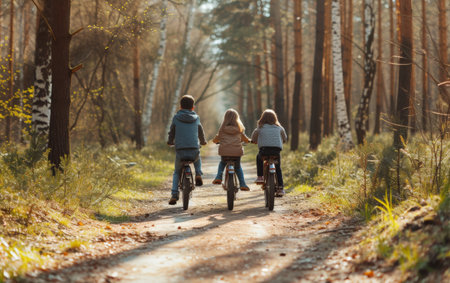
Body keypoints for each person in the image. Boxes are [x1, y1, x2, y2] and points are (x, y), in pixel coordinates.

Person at [167, 95, 207, 205]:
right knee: (197, 156)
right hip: (194, 149)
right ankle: (198, 173)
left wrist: (170, 141)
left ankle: (174, 194)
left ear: (180, 106)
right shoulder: (196, 118)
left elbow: (172, 131)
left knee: (176, 172)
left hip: (180, 150)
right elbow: (200, 131)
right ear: (193, 107)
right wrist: (203, 141)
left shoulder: (176, 117)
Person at [251, 109, 287, 197]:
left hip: (264, 150)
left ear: (262, 118)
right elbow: (285, 138)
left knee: (259, 158)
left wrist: (253, 141)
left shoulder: (260, 128)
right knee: (278, 168)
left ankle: (260, 177)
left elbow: (253, 137)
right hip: (276, 151)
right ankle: (280, 188)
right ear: (275, 118)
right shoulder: (279, 127)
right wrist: (283, 140)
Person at [212, 109, 250, 191]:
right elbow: (245, 139)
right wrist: (248, 141)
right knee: (238, 167)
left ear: (225, 118)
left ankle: (218, 176)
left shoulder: (222, 129)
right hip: (237, 153)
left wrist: (215, 141)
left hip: (225, 152)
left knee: (222, 163)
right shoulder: (239, 130)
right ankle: (243, 184)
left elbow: (216, 140)